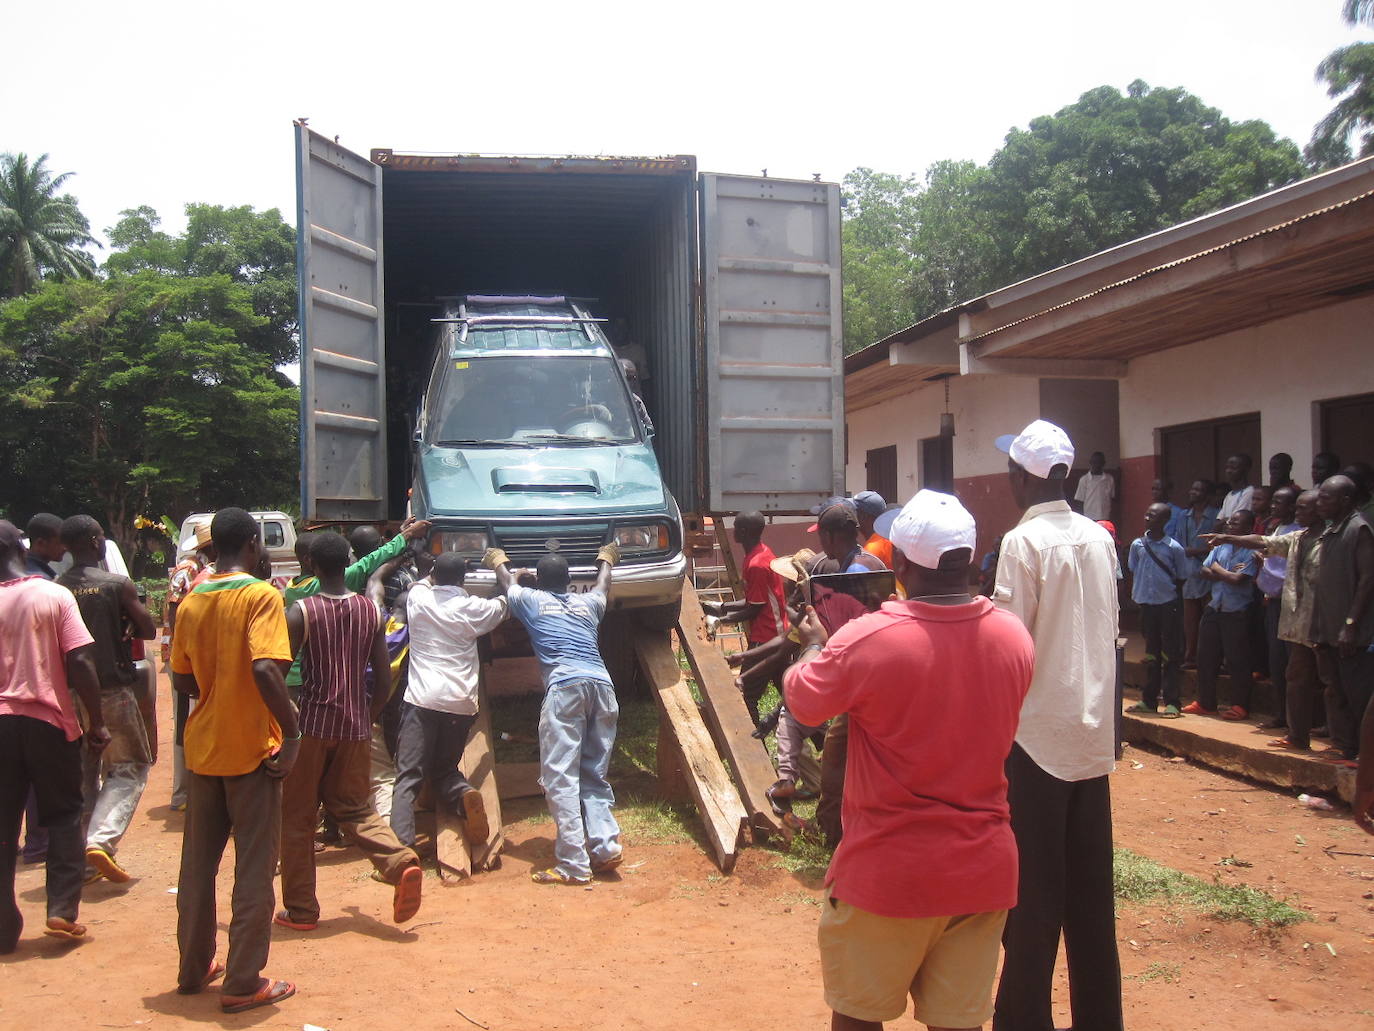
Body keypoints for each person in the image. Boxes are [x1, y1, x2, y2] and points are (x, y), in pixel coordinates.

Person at [784, 490, 1034, 1031]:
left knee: (858, 1017)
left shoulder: (867, 641)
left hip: (889, 872)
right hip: (982, 872)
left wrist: (810, 646)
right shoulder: (1015, 636)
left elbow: (803, 702)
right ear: (970, 557)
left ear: (898, 564)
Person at [989, 418, 1123, 1031]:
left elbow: (1010, 648)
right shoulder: (1101, 539)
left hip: (1035, 740)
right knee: (1093, 903)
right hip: (1092, 740)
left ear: (1022, 475)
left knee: (1034, 902)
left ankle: (1023, 1020)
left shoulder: (1023, 544)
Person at [169, 508, 298, 1013]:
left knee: (198, 868)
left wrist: (216, 688)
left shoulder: (191, 599)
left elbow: (180, 679)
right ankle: (243, 981)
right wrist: (292, 733)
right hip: (251, 751)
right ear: (251, 542)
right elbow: (266, 667)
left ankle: (193, 967)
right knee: (253, 868)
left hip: (202, 747)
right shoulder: (261, 596)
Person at [278, 532, 423, 931]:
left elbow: (276, 673)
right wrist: (369, 715)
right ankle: (398, 861)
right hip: (355, 724)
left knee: (298, 819)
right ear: (347, 562)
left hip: (311, 726)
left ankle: (302, 910)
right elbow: (382, 676)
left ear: (311, 565)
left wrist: (288, 723)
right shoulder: (369, 611)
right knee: (357, 808)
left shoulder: (301, 612)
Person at [485, 543, 622, 885]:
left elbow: (507, 582)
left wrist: (501, 562)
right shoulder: (587, 603)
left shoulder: (530, 601)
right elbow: (603, 585)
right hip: (602, 687)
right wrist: (605, 560)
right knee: (593, 772)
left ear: (539, 581)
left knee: (560, 777)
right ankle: (605, 848)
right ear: (569, 581)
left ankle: (574, 864)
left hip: (565, 689)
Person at [1, 520, 108, 952]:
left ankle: (4, 925)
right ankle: (61, 909)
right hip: (48, 721)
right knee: (65, 814)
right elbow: (80, 661)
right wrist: (96, 721)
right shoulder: (52, 595)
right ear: (18, 546)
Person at [54, 516, 157, 883]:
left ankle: (83, 857)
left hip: (67, 693)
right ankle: (101, 840)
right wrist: (126, 624)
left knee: (86, 771)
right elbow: (148, 628)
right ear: (97, 542)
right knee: (129, 767)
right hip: (110, 688)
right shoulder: (116, 585)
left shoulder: (56, 588)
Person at [390, 552, 508, 853]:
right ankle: (463, 793)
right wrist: (510, 577)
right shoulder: (473, 608)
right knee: (444, 769)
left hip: (422, 699)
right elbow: (505, 602)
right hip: (460, 703)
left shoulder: (417, 598)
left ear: (434, 575)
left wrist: (431, 570)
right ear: (462, 579)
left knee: (408, 776)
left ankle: (402, 849)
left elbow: (421, 582)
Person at [1204, 490, 1323, 750]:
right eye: (1299, 508)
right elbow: (1264, 541)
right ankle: (1296, 734)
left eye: (1305, 508)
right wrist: (1226, 537)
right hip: (1293, 618)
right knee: (1292, 673)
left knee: (1330, 681)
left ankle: (1343, 742)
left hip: (1323, 620)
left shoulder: (1331, 540)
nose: (1300, 512)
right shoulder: (1297, 537)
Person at [701, 512, 788, 723]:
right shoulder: (760, 554)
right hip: (777, 635)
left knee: (747, 695)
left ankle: (757, 753)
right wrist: (721, 607)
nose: (733, 531)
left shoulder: (757, 564)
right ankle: (823, 744)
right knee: (792, 696)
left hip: (766, 637)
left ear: (744, 532)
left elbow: (753, 610)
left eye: (737, 527)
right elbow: (753, 601)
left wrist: (721, 620)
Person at [1311, 475, 1374, 762]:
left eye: (1326, 498)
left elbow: (1367, 580)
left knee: (1358, 694)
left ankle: (1365, 755)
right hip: (1329, 629)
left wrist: (1351, 624)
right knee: (1338, 692)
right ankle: (1349, 749)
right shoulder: (1332, 530)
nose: (1319, 502)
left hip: (1352, 633)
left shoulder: (1358, 529)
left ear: (1345, 500)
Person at [1184, 510, 1261, 719]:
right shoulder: (1222, 547)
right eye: (1229, 522)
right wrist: (1226, 573)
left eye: (1236, 523)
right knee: (1206, 657)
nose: (1230, 526)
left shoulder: (1251, 552)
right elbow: (1203, 571)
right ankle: (1206, 703)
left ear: (1247, 528)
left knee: (1237, 660)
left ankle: (1240, 705)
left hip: (1236, 611)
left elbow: (1238, 580)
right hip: (1214, 608)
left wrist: (1217, 569)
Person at [166, 522, 213, 811]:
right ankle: (183, 793)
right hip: (186, 660)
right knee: (186, 721)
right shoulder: (190, 569)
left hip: (194, 657)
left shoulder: (204, 568)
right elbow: (175, 613)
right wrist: (185, 654)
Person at [1126, 502, 1189, 717]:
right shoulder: (1137, 545)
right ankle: (1149, 699)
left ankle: (1172, 701)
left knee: (1171, 653)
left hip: (1168, 605)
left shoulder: (1174, 548)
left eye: (1153, 516)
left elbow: (1181, 576)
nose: (1147, 519)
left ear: (1164, 521)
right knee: (1151, 654)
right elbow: (1133, 568)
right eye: (1146, 514)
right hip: (1146, 605)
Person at [1255, 487, 1300, 729]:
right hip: (1272, 601)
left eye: (1279, 503)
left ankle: (1294, 720)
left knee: (1291, 662)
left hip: (1289, 604)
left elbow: (1285, 571)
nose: (1273, 507)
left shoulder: (1297, 533)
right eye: (1273, 502)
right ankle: (1280, 713)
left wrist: (1263, 563)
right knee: (1277, 660)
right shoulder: (1278, 528)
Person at [1173, 479, 1218, 669]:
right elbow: (1179, 544)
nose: (1193, 492)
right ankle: (1190, 656)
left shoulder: (1215, 516)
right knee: (1190, 620)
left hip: (1209, 573)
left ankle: (1209, 657)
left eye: (1198, 489)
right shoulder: (1184, 516)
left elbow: (1216, 545)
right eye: (1192, 488)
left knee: (1209, 620)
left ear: (1207, 495)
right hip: (1190, 573)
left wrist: (1197, 551)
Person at [851, 491, 893, 568]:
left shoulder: (872, 549)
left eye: (854, 511)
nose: (850, 515)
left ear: (864, 516)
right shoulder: (889, 538)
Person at [1073, 450, 1115, 521]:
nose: (1097, 465)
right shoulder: (1084, 480)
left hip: (1105, 517)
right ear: (1090, 462)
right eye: (1095, 462)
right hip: (1089, 517)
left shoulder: (1109, 479)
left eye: (1100, 462)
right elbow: (1080, 501)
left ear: (1104, 463)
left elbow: (1112, 498)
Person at [24, 513, 64, 579]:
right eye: (60, 542)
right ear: (40, 543)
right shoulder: (40, 579)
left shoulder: (20, 567)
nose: (65, 548)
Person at [1217, 453, 1255, 521]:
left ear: (1245, 470)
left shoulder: (1249, 492)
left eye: (1233, 468)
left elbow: (1236, 520)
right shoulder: (1229, 495)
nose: (1228, 471)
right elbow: (1219, 521)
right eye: (1227, 467)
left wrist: (1225, 521)